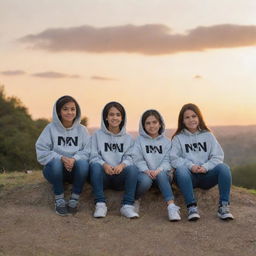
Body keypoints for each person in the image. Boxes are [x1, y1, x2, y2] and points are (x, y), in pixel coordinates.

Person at [170, 103, 234, 221]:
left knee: (224, 168)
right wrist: (191, 166)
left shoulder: (208, 135)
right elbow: (174, 158)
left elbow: (218, 156)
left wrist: (206, 167)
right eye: (187, 117)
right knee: (181, 169)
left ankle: (223, 207)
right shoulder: (178, 138)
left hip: (206, 176)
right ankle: (192, 207)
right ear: (182, 121)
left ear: (199, 117)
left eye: (194, 116)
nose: (191, 120)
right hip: (188, 177)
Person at [35, 95, 90, 216]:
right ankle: (59, 200)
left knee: (83, 164)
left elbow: (88, 151)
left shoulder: (82, 130)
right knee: (55, 162)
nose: (69, 112)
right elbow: (42, 150)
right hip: (54, 171)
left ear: (77, 111)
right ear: (58, 112)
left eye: (72, 109)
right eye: (65, 109)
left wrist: (74, 159)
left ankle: (74, 199)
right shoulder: (50, 129)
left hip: (75, 171)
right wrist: (61, 158)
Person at [90, 101, 139, 219]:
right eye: (111, 114)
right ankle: (100, 204)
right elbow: (93, 156)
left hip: (119, 176)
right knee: (95, 166)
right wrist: (104, 164)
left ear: (122, 118)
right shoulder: (97, 135)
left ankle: (127, 206)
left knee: (132, 169)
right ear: (106, 117)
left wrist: (122, 165)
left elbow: (130, 157)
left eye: (118, 115)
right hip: (103, 176)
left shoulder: (128, 138)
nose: (115, 117)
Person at [133, 109, 181, 221]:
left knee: (162, 175)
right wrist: (146, 170)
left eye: (154, 122)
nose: (151, 126)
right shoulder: (139, 141)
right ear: (143, 125)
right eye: (148, 123)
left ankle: (171, 207)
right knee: (145, 181)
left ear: (160, 123)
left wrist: (159, 170)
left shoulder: (167, 142)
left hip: (163, 175)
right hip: (145, 174)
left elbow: (168, 160)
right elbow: (137, 158)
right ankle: (135, 200)